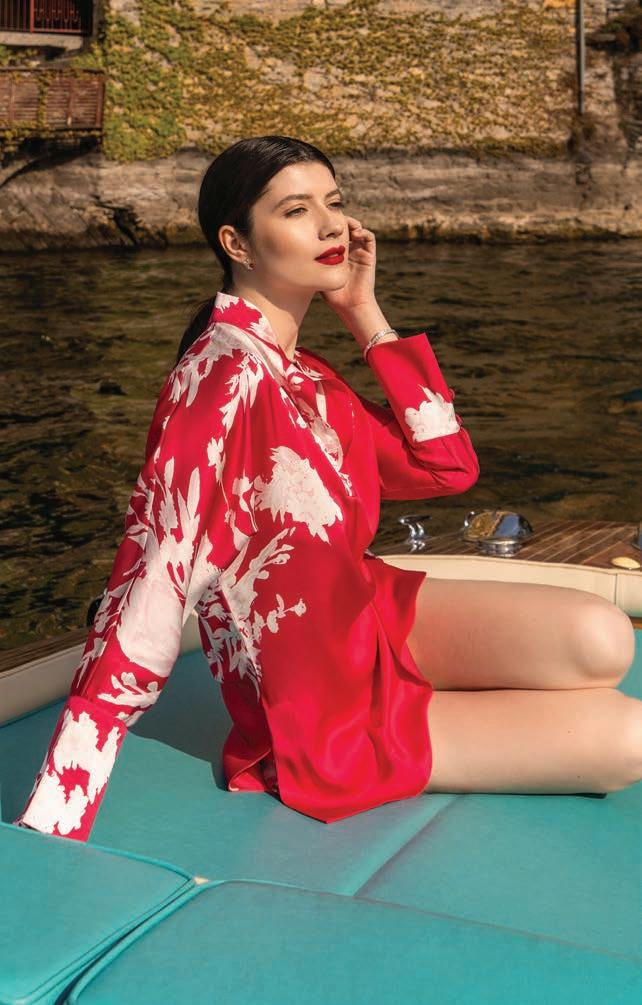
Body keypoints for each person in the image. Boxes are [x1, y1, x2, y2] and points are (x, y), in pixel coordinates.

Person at [14, 135, 640, 841]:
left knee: (604, 638)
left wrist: (362, 312)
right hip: (320, 709)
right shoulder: (220, 380)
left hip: (372, 613)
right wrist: (60, 811)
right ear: (237, 243)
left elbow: (447, 467)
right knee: (629, 739)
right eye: (296, 210)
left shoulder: (304, 372)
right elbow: (154, 577)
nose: (330, 225)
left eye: (334, 203)